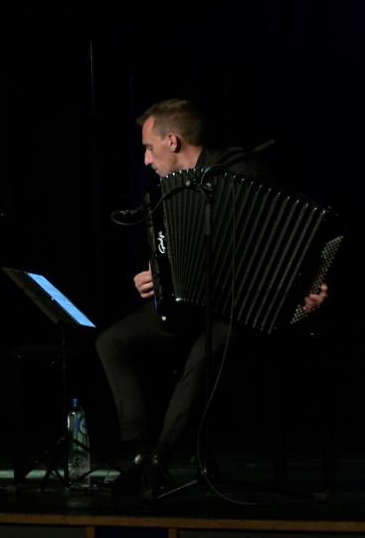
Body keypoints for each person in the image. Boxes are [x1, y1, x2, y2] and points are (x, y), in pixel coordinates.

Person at [96, 98, 329, 495]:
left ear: (172, 141)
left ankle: (160, 460)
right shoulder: (172, 190)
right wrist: (157, 275)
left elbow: (295, 231)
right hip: (190, 305)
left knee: (205, 354)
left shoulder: (242, 171)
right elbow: (176, 249)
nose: (147, 160)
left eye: (149, 148)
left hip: (246, 308)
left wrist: (308, 282)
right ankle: (141, 452)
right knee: (112, 342)